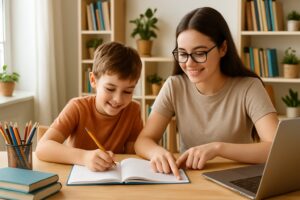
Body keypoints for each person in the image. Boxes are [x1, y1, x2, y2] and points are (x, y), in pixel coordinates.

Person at [134, 7, 279, 179]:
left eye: (199, 53)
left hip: (238, 178)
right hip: (190, 180)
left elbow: (275, 148)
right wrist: (157, 152)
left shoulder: (249, 87)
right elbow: (143, 141)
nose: (189, 63)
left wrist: (218, 148)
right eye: (182, 54)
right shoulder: (174, 86)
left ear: (223, 48)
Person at [36, 42, 143, 171]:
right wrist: (84, 157)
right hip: (77, 178)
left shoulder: (133, 110)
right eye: (110, 88)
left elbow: (133, 155)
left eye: (127, 91)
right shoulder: (77, 107)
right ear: (93, 80)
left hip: (113, 180)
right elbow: (42, 148)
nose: (118, 99)